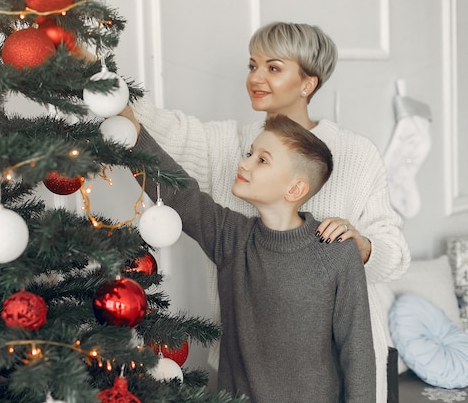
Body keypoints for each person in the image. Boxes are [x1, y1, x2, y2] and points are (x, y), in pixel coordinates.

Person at [119, 21, 410, 402]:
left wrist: (362, 246)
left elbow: (392, 259)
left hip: (339, 374)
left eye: (273, 67)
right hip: (246, 375)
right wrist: (102, 85)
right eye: (252, 65)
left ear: (308, 83)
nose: (256, 77)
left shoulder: (356, 155)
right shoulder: (230, 171)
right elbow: (170, 165)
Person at [134, 114, 376, 402]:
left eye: (262, 160)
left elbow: (357, 353)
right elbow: (180, 195)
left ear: (295, 189)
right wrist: (130, 130)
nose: (243, 163)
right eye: (249, 153)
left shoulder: (337, 251)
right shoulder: (232, 237)